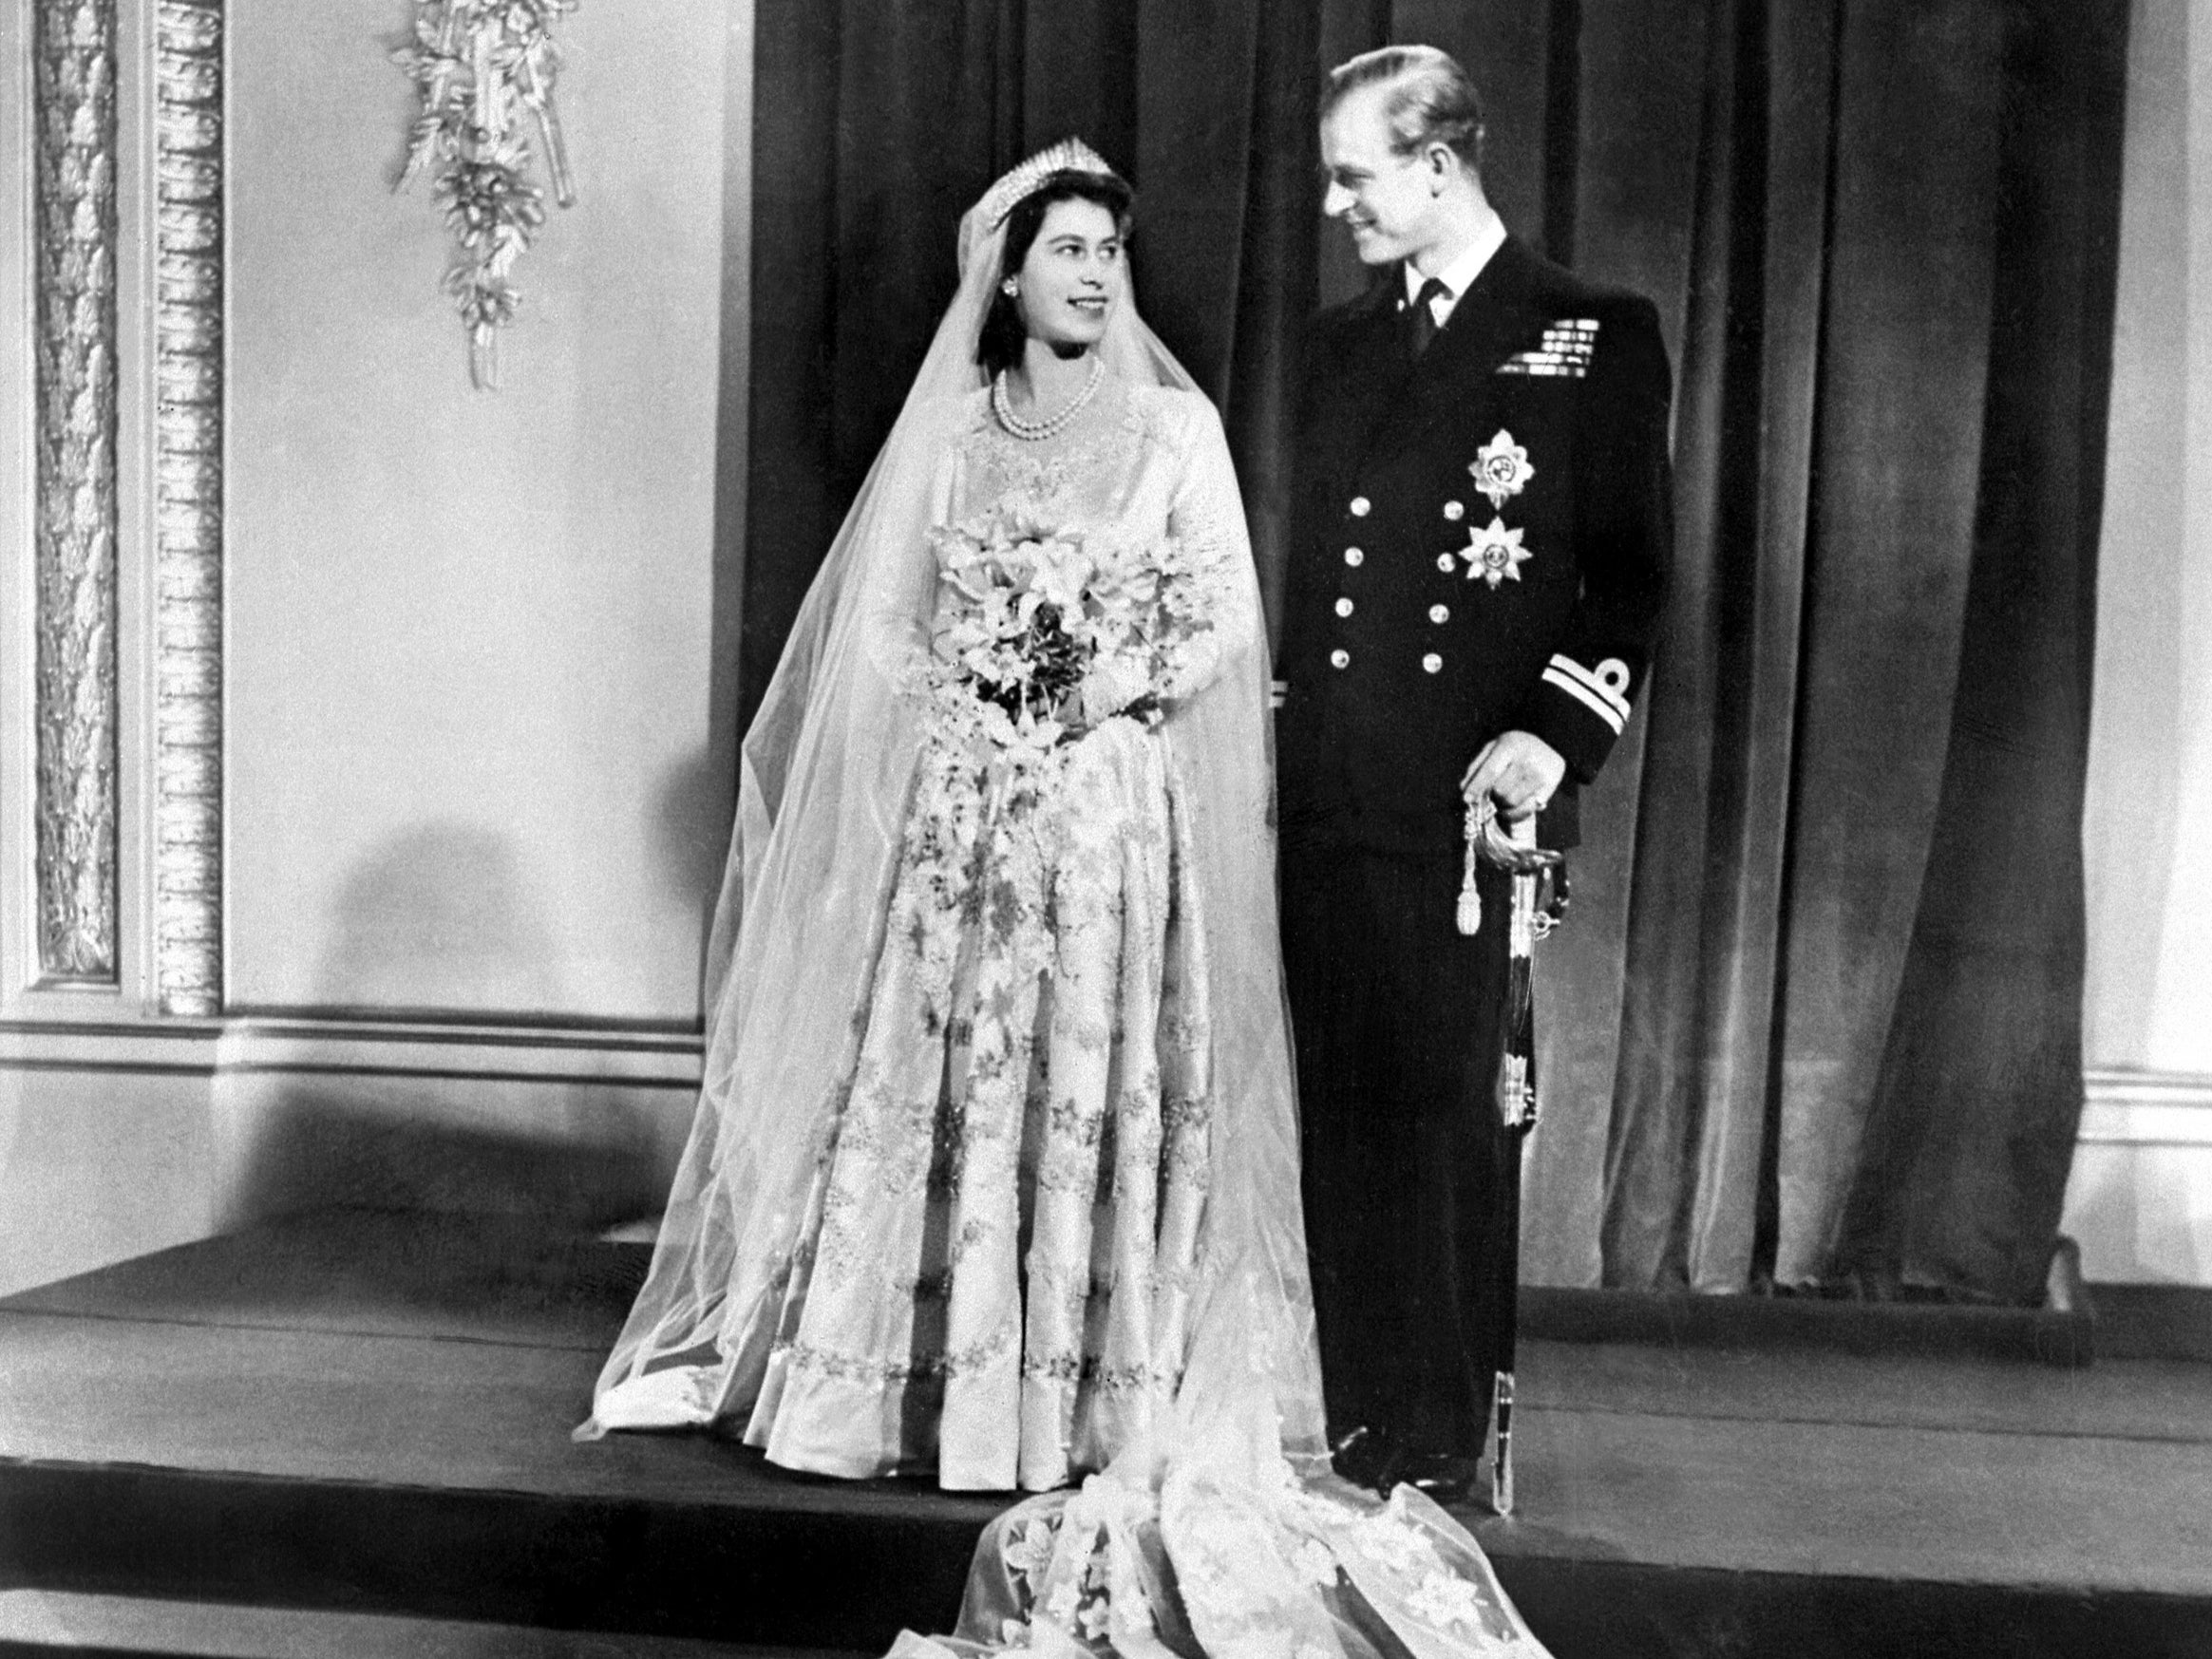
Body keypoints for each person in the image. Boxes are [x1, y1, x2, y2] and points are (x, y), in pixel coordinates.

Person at [585, 140, 1561, 1656]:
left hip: (1110, 809)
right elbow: (889, 628)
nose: (1095, 274)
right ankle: (926, 1397)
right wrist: (973, 709)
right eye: (1066, 252)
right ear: (1006, 274)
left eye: (1111, 249)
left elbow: (1223, 611)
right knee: (957, 1084)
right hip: (969, 818)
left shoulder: (1175, 432)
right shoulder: (954, 440)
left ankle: (1077, 1404)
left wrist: (1090, 682)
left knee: (1092, 1086)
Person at [1276, 47, 1673, 1502]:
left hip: (1464, 806)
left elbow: (1627, 584)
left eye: (1355, 175)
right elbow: (1317, 580)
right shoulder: (1337, 347)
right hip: (1331, 791)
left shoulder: (1589, 331)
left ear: (1438, 165)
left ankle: (1438, 1436)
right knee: (1337, 1107)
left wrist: (1553, 738)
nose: (1335, 206)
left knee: (1443, 1114)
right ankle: (1351, 1414)